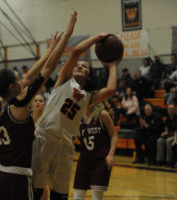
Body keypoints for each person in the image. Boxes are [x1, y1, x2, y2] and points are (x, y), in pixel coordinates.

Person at [0, 12, 77, 200]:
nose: (22, 79)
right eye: (17, 79)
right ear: (11, 86)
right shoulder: (19, 105)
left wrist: (48, 52)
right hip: (15, 177)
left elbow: (27, 78)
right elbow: (48, 70)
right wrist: (66, 36)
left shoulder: (1, 106)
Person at [32, 33, 122, 199]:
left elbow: (110, 89)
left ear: (89, 74)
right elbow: (75, 52)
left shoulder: (89, 98)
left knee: (60, 194)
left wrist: (112, 65)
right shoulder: (64, 80)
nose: (80, 67)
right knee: (35, 191)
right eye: (77, 66)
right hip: (45, 138)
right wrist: (97, 38)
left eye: (85, 66)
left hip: (66, 146)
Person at [73, 103, 117, 200]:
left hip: (101, 160)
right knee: (77, 195)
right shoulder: (77, 117)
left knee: (96, 197)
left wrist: (110, 155)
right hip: (84, 159)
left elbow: (114, 135)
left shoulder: (102, 115)